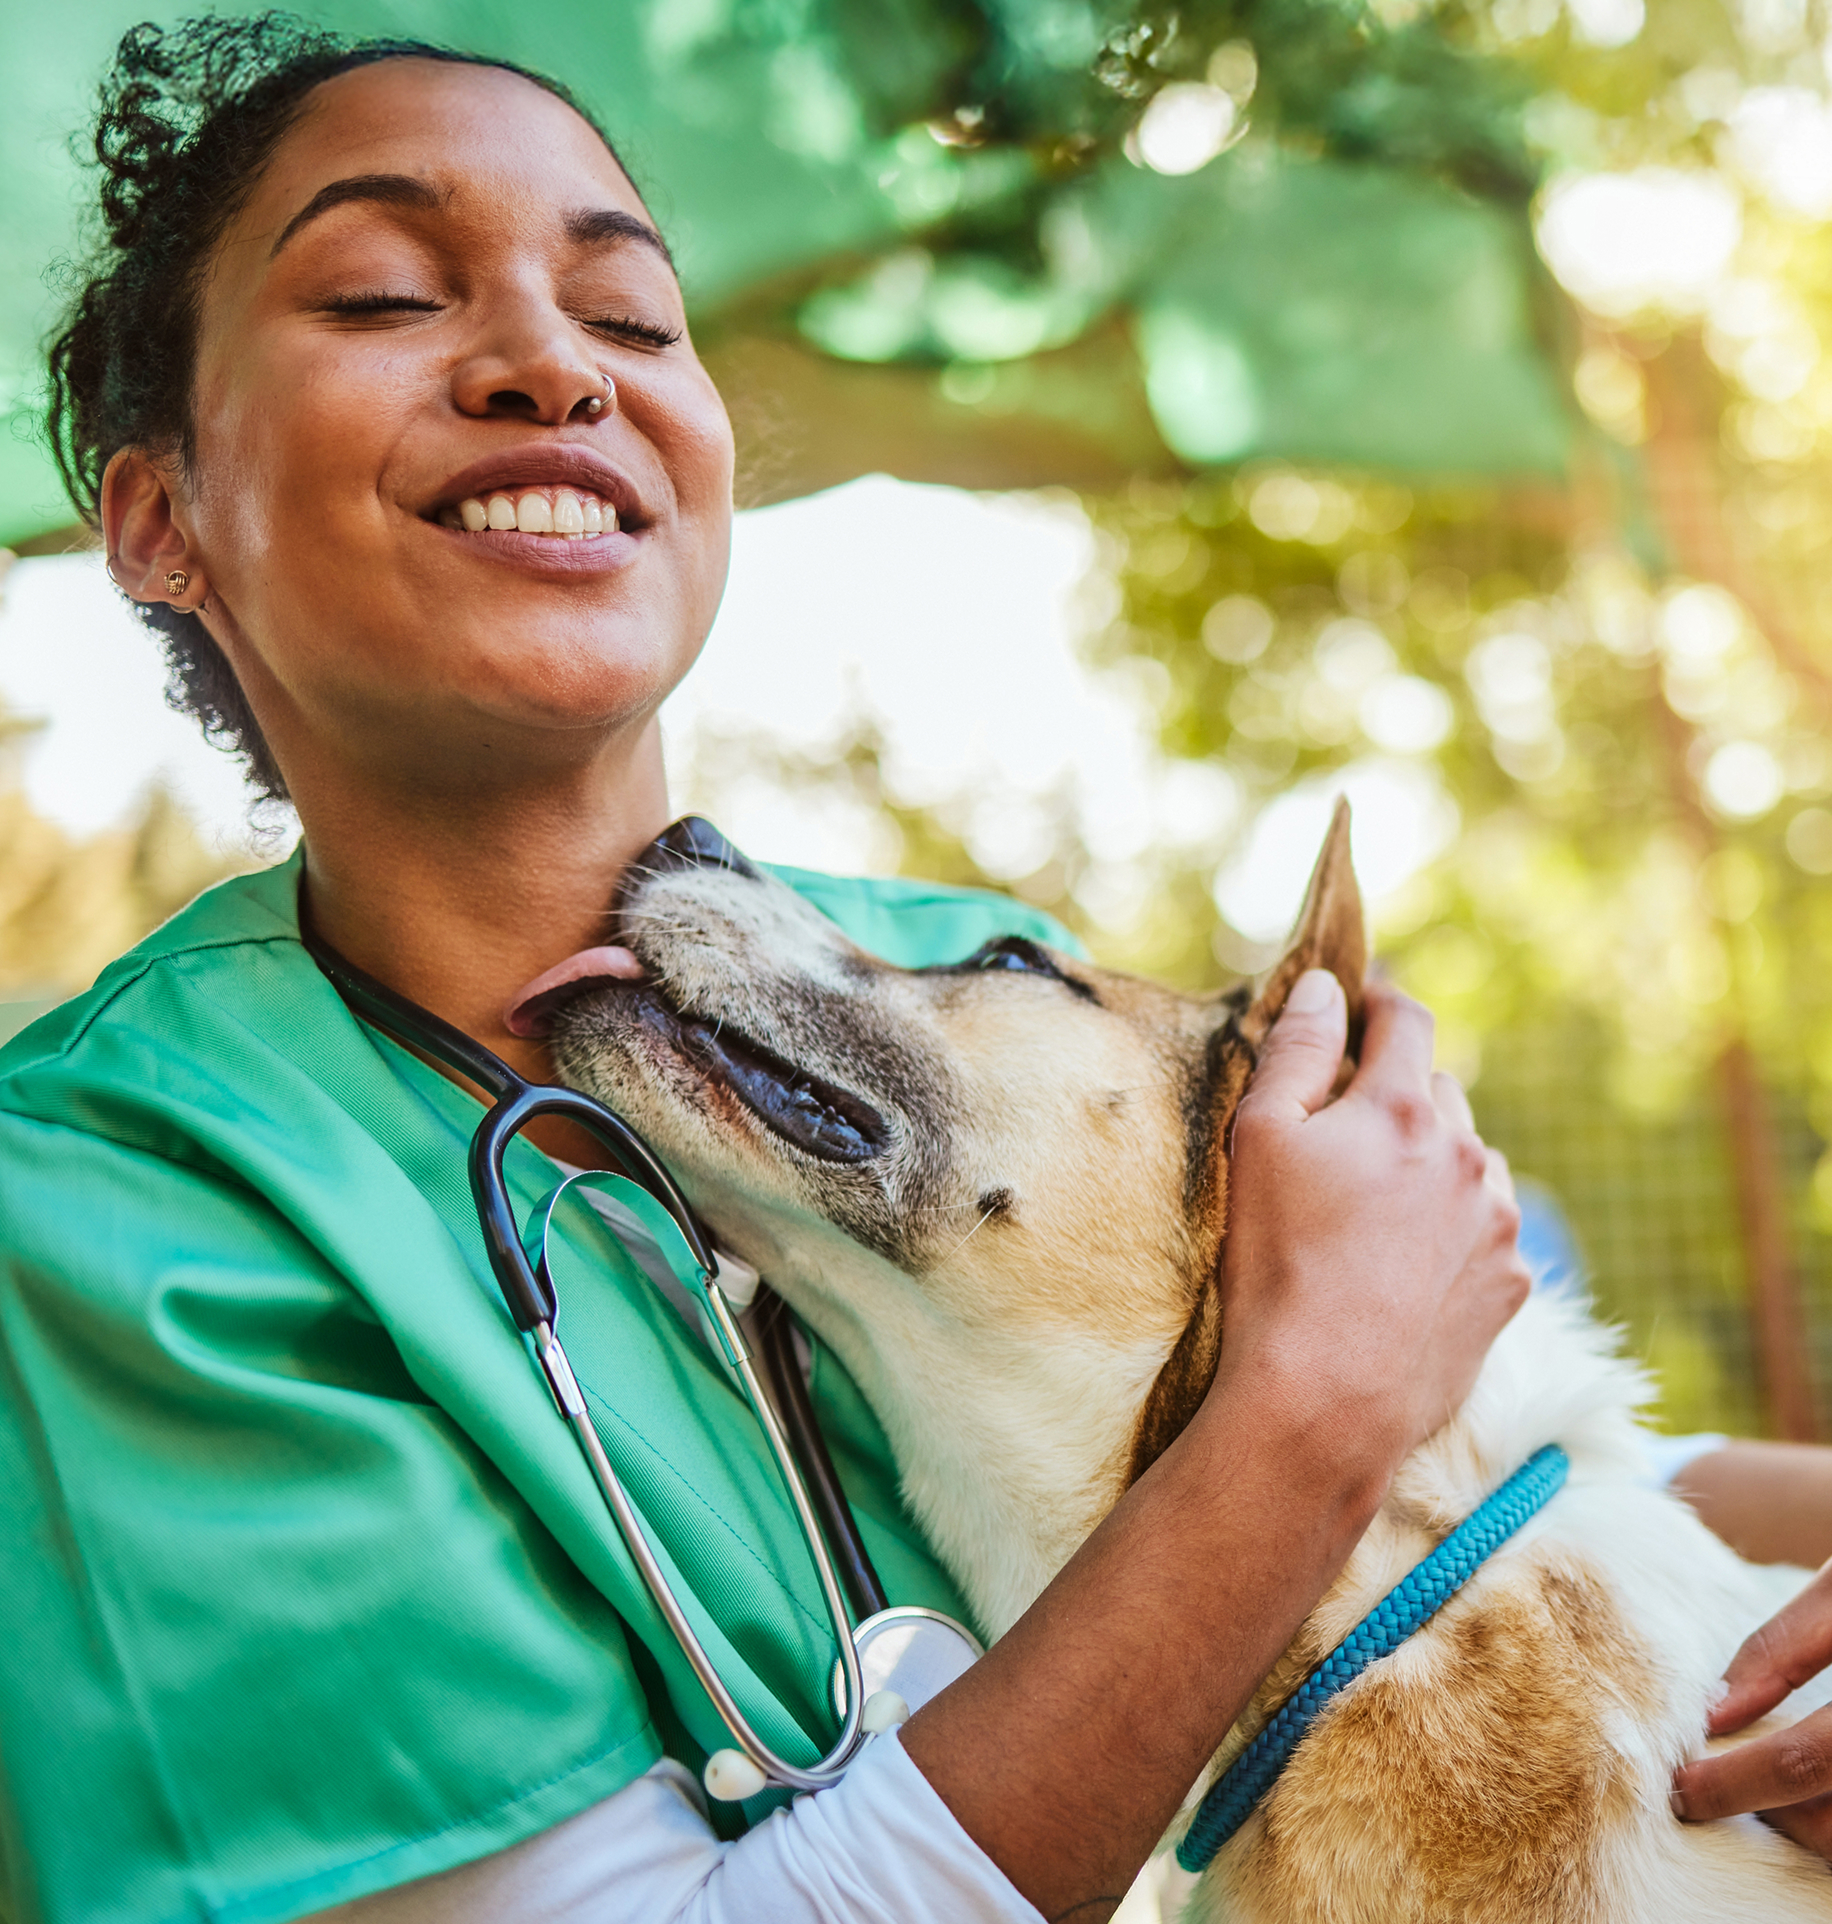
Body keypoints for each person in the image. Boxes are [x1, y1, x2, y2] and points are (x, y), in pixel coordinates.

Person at [0, 16, 1801, 1923]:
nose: (550, 366)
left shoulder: (954, 986)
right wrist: (1305, 1417)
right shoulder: (117, 1210)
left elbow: (1471, 1513)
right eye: (378, 292)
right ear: (161, 520)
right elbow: (1335, 1425)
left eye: (628, 318)